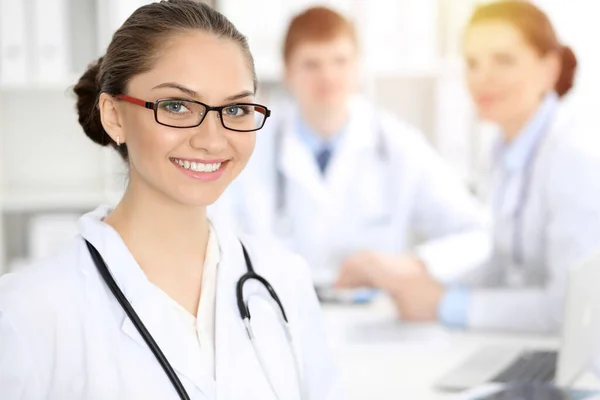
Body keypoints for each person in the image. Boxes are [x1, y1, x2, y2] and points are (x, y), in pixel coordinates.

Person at [0, 1, 345, 399]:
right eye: (177, 106)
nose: (212, 139)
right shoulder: (28, 312)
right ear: (114, 116)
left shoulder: (284, 281)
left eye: (235, 108)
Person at [346, 0, 600, 333]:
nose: (483, 77)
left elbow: (570, 307)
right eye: (472, 63)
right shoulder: (505, 149)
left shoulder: (573, 155)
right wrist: (423, 280)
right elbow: (504, 263)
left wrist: (445, 304)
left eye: (504, 60)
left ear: (549, 69)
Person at [210, 6, 490, 293]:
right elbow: (212, 238)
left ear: (357, 67)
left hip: (372, 326)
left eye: (340, 61)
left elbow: (478, 234)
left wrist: (413, 265)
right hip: (269, 314)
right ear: (287, 72)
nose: (328, 76)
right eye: (311, 64)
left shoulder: (397, 145)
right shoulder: (247, 140)